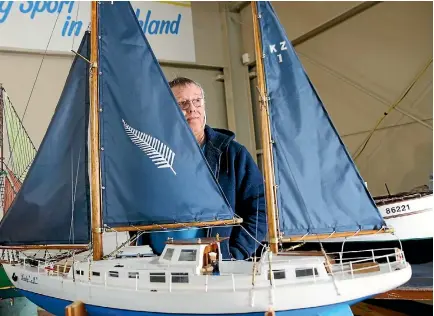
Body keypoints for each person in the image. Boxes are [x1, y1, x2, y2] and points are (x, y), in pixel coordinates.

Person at [135, 76, 267, 260]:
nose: (192, 108)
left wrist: (235, 253)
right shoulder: (149, 154)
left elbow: (261, 208)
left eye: (197, 100)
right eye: (182, 103)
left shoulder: (233, 154)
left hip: (210, 266)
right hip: (154, 264)